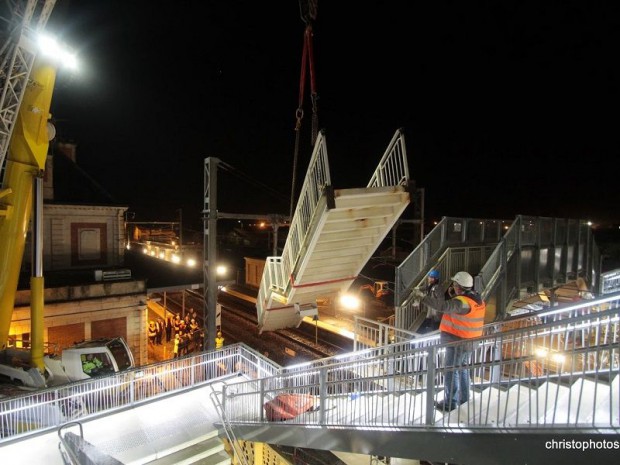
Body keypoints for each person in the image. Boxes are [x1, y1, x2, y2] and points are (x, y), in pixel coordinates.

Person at [421, 271, 486, 412]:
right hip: (471, 341)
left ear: (459, 286)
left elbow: (444, 307)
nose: (453, 286)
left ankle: (450, 403)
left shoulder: (461, 302)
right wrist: (454, 296)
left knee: (451, 371)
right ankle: (464, 399)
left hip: (458, 342)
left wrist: (422, 297)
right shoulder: (476, 298)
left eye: (455, 284)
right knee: (462, 369)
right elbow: (460, 307)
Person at [417, 269, 442, 334]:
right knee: (428, 327)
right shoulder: (431, 286)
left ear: (435, 279)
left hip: (435, 314)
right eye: (429, 277)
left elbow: (440, 301)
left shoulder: (437, 288)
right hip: (431, 312)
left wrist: (424, 296)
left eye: (430, 277)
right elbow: (425, 287)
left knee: (434, 329)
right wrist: (417, 288)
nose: (429, 278)